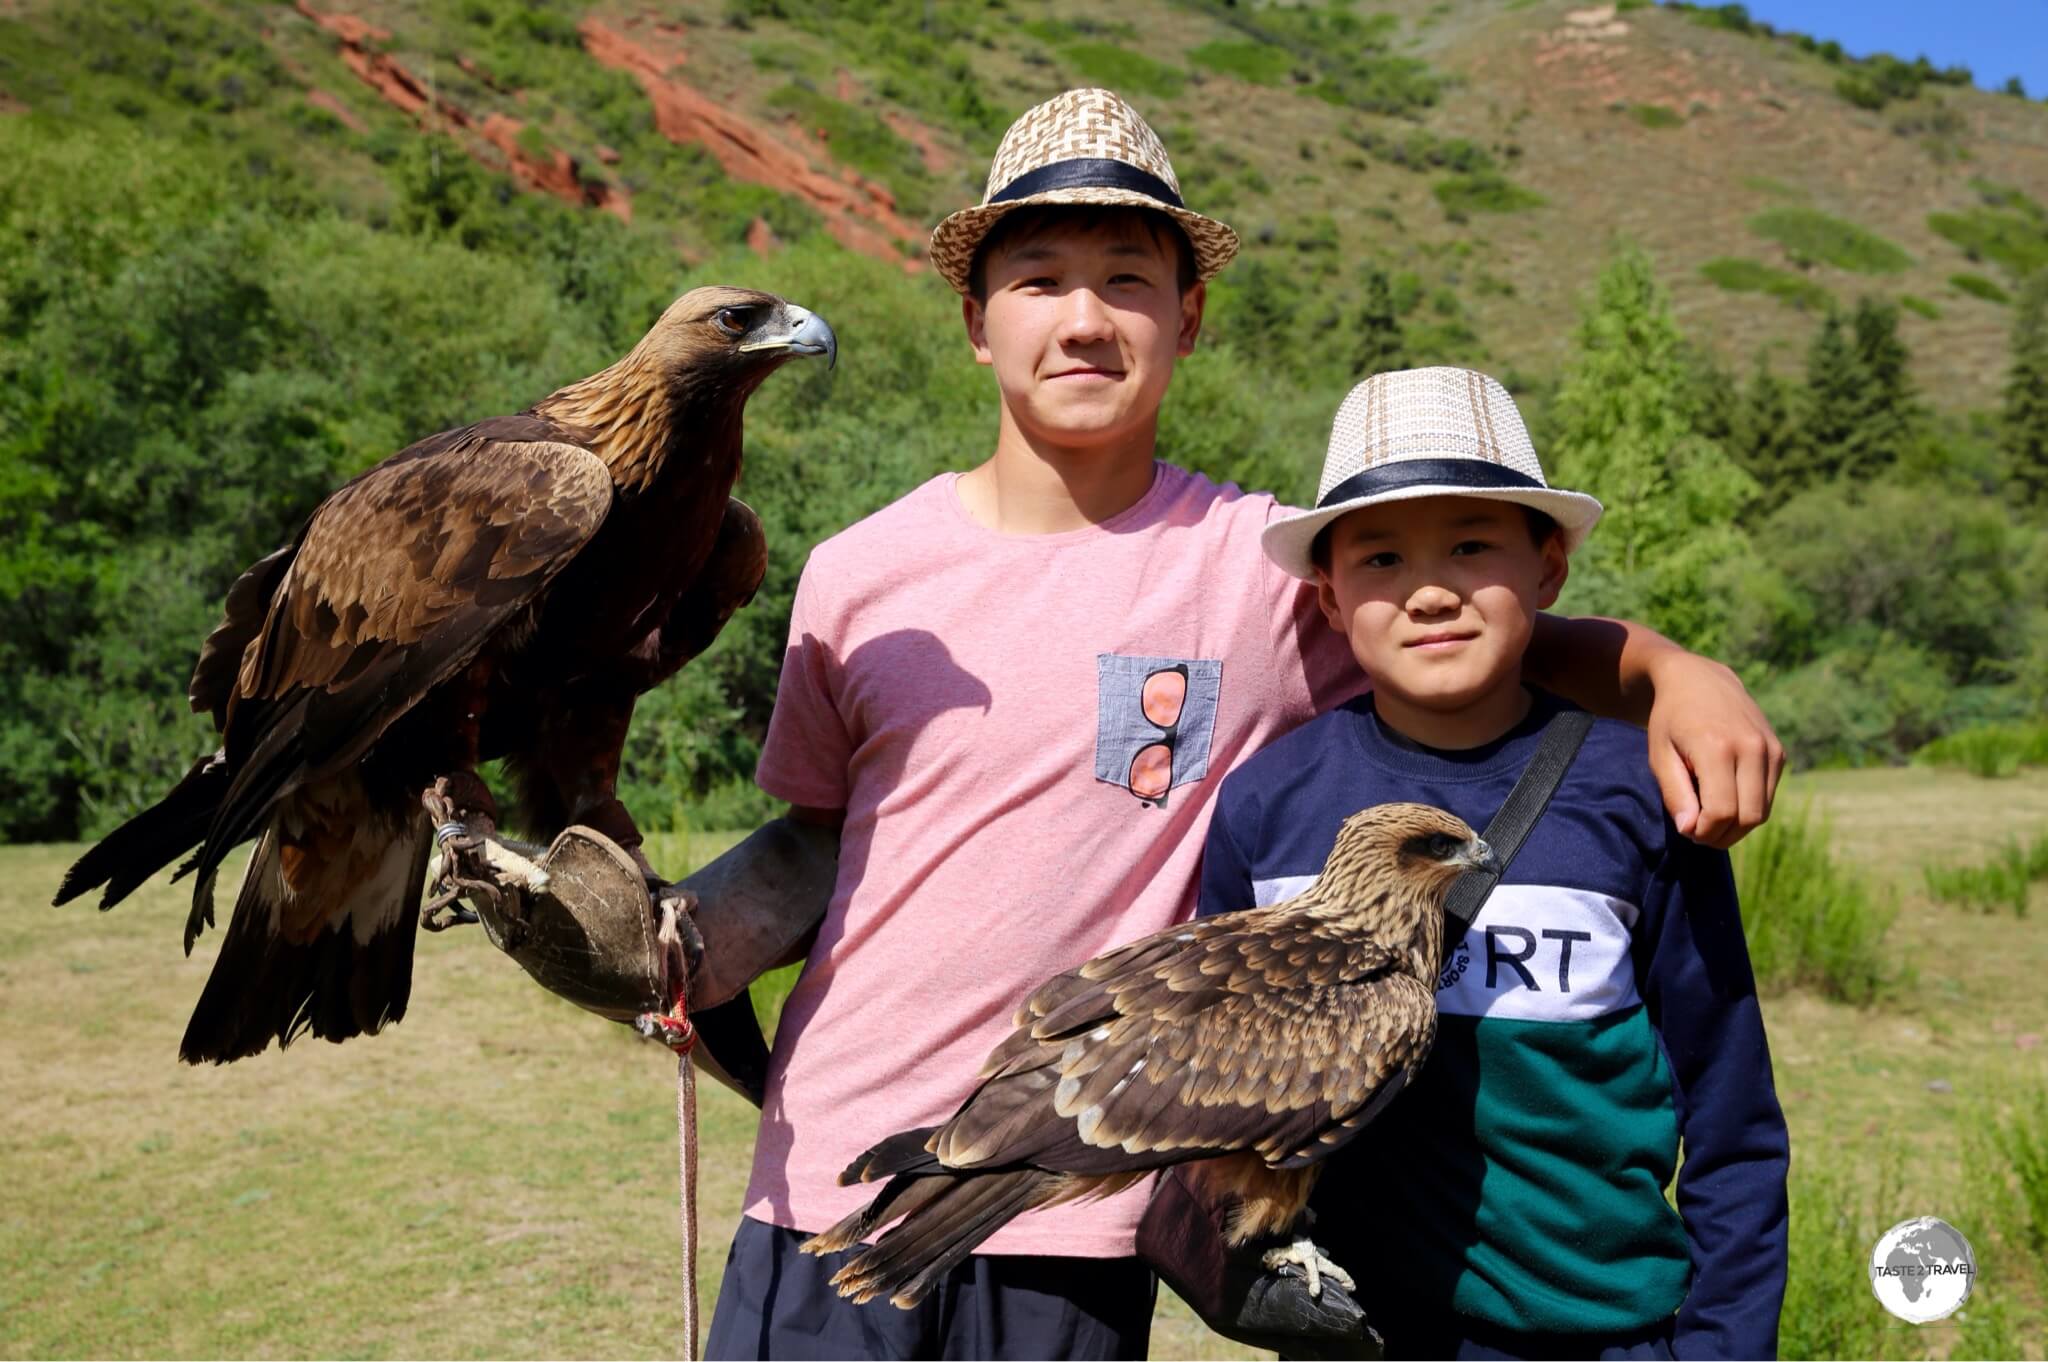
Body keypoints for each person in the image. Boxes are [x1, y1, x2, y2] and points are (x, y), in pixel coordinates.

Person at [702, 87, 1785, 1361]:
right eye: (1039, 279)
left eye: (1126, 278)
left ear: (1188, 316)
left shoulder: (1258, 569)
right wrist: (676, 942)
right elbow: (819, 842)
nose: (1085, 317)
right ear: (974, 322)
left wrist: (1663, 667)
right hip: (836, 1152)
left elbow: (1451, 624)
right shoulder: (856, 572)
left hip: (1081, 1202)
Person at [1196, 367, 1790, 1360]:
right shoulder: (1268, 806)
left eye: (1471, 546)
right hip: (1356, 1337)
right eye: (1379, 557)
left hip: (1601, 1333)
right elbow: (1211, 1085)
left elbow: (1730, 1117)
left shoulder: (1636, 792)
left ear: (1546, 570)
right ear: (1328, 597)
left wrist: (1722, 1347)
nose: (1428, 591)